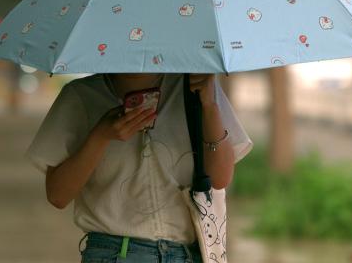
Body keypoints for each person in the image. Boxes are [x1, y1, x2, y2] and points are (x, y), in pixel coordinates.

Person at [24, 73, 253, 263]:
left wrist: (210, 105)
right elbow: (57, 195)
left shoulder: (196, 87)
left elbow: (220, 179)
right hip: (115, 253)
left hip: (186, 254)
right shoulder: (81, 96)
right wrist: (101, 136)